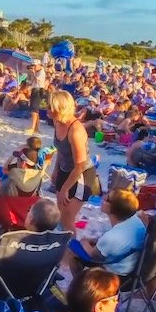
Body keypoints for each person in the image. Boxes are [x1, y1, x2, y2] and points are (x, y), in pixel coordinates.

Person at [64, 188, 145, 278]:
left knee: (72, 253)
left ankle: (81, 283)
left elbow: (93, 255)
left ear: (115, 208)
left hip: (117, 272)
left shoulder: (111, 237)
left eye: (107, 199)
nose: (103, 199)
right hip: (130, 264)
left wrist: (84, 242)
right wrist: (95, 241)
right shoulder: (135, 220)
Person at [48, 89, 92, 233]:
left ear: (59, 108)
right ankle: (62, 247)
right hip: (64, 169)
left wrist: (65, 188)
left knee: (67, 218)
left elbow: (80, 164)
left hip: (81, 175)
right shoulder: (57, 122)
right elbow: (61, 150)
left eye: (50, 107)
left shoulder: (76, 130)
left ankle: (70, 252)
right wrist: (55, 171)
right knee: (61, 215)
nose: (47, 109)